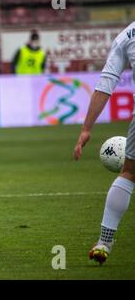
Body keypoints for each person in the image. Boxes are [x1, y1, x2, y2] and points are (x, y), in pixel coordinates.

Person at [74, 21, 135, 265]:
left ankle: (104, 242)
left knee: (129, 172)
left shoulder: (126, 36)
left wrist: (86, 128)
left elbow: (106, 84)